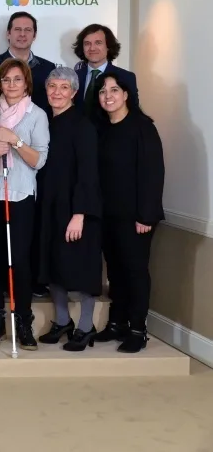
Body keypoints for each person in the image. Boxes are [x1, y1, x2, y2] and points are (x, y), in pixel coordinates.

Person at [93, 72, 164, 354]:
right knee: (116, 273)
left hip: (136, 217)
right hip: (109, 215)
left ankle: (137, 329)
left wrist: (146, 216)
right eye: (102, 91)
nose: (108, 95)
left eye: (114, 90)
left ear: (126, 95)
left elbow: (152, 174)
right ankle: (117, 323)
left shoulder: (142, 127)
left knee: (135, 272)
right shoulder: (103, 129)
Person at [0, 58, 49, 350]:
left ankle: (22, 319)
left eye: (17, 80)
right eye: (6, 80)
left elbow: (39, 160)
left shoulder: (37, 115)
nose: (11, 85)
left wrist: (16, 141)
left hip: (20, 196)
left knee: (18, 261)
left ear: (26, 83)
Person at [35, 67, 103, 352]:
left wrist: (79, 215)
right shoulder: (46, 123)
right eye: (52, 86)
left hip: (77, 211)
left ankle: (86, 326)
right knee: (54, 265)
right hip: (51, 206)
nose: (57, 92)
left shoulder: (83, 126)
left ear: (74, 92)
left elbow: (88, 173)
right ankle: (62, 320)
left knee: (83, 268)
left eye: (64, 87)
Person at [0, 12, 56, 117]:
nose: (22, 34)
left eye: (28, 30)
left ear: (34, 35)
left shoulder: (48, 68)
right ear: (8, 34)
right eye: (17, 29)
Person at [72, 24, 138, 115]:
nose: (92, 48)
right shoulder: (73, 77)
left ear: (108, 46)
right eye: (87, 43)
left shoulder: (126, 77)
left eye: (98, 43)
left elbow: (133, 113)